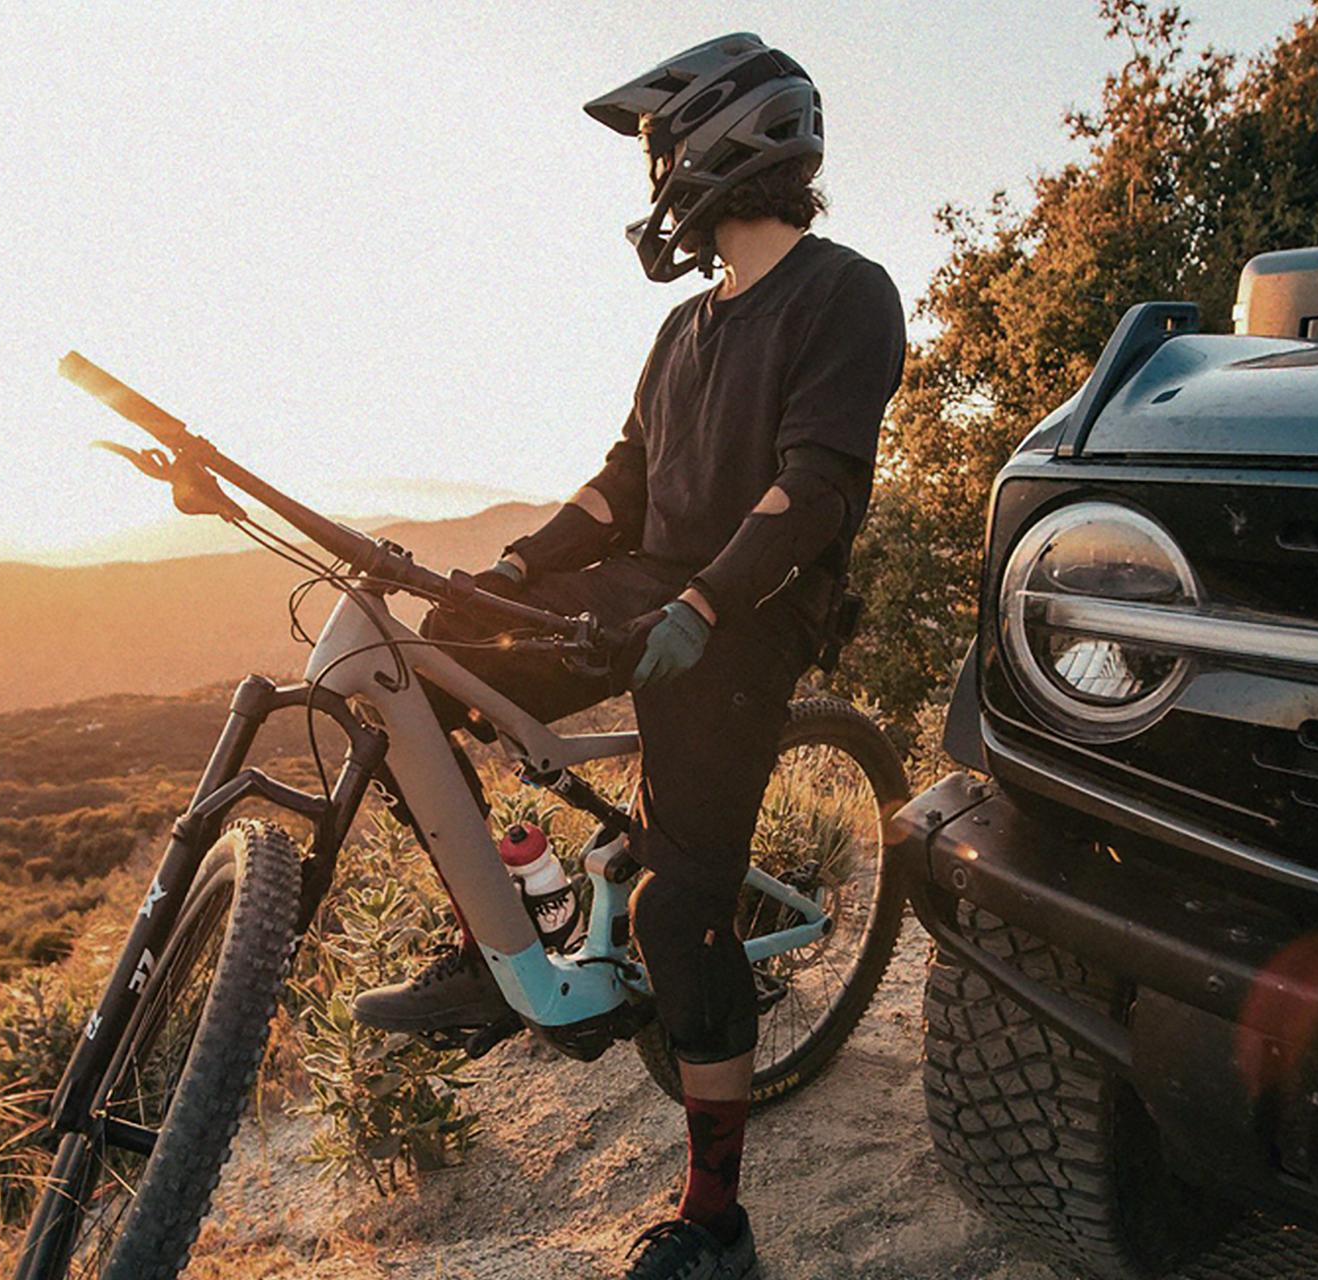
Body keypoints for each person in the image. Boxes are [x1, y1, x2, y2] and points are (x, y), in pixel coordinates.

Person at [353, 33, 904, 1280]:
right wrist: (517, 567)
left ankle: (718, 1224)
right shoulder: (683, 329)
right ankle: (514, 933)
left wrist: (705, 607)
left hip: (754, 613)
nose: (654, 181)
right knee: (438, 663)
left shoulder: (844, 292)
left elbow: (814, 488)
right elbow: (624, 485)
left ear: (722, 144)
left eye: (661, 153)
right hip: (661, 585)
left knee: (677, 907)